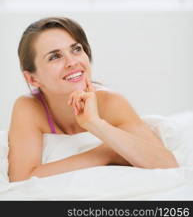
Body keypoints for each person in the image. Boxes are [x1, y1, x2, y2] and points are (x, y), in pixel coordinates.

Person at [8, 17, 178, 182]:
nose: (72, 62)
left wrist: (95, 123)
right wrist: (106, 153)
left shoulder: (110, 102)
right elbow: (22, 178)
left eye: (76, 49)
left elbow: (167, 165)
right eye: (54, 57)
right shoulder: (29, 107)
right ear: (33, 79)